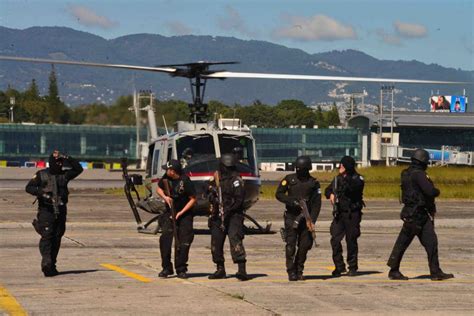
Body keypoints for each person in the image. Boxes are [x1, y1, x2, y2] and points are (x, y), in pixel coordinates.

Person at [387, 149, 454, 281]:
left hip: (416, 213)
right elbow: (430, 192)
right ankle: (394, 271)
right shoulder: (419, 174)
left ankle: (435, 271)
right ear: (423, 161)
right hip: (416, 214)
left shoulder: (406, 173)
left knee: (430, 242)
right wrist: (437, 191)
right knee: (405, 243)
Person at [25, 150, 83, 277]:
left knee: (57, 237)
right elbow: (28, 187)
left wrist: (67, 157)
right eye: (57, 162)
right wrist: (42, 193)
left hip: (61, 211)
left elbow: (78, 169)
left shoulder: (65, 175)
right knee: (47, 236)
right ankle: (46, 262)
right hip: (47, 211)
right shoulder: (42, 175)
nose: (59, 164)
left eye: (61, 162)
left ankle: (52, 265)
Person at [275, 156, 321, 281]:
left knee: (304, 246)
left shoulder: (314, 183)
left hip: (306, 218)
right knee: (290, 245)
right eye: (298, 169)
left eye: (301, 169)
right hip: (291, 216)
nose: (299, 171)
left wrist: (312, 220)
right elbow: (278, 194)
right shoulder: (289, 179)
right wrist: (291, 201)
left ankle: (299, 269)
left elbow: (317, 204)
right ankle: (291, 271)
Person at [208, 153, 249, 281]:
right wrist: (212, 195)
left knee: (235, 239)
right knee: (216, 242)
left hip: (233, 215)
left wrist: (228, 209)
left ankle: (241, 270)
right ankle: (220, 269)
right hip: (218, 215)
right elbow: (208, 193)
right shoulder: (216, 178)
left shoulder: (237, 180)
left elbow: (239, 199)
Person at [324, 156, 364, 277]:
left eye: (342, 165)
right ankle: (339, 266)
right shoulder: (337, 179)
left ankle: (352, 266)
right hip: (339, 214)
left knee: (351, 240)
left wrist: (345, 178)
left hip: (352, 213)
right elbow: (327, 190)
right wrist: (330, 194)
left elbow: (353, 189)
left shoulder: (358, 178)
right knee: (335, 239)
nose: (340, 167)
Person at [156, 159, 196, 279]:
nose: (166, 171)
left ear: (173, 171)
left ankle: (181, 268)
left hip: (184, 214)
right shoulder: (166, 178)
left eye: (168, 169)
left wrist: (181, 212)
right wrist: (165, 197)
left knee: (183, 242)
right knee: (165, 240)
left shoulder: (185, 181)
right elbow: (159, 188)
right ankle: (166, 268)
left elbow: (193, 199)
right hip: (169, 213)